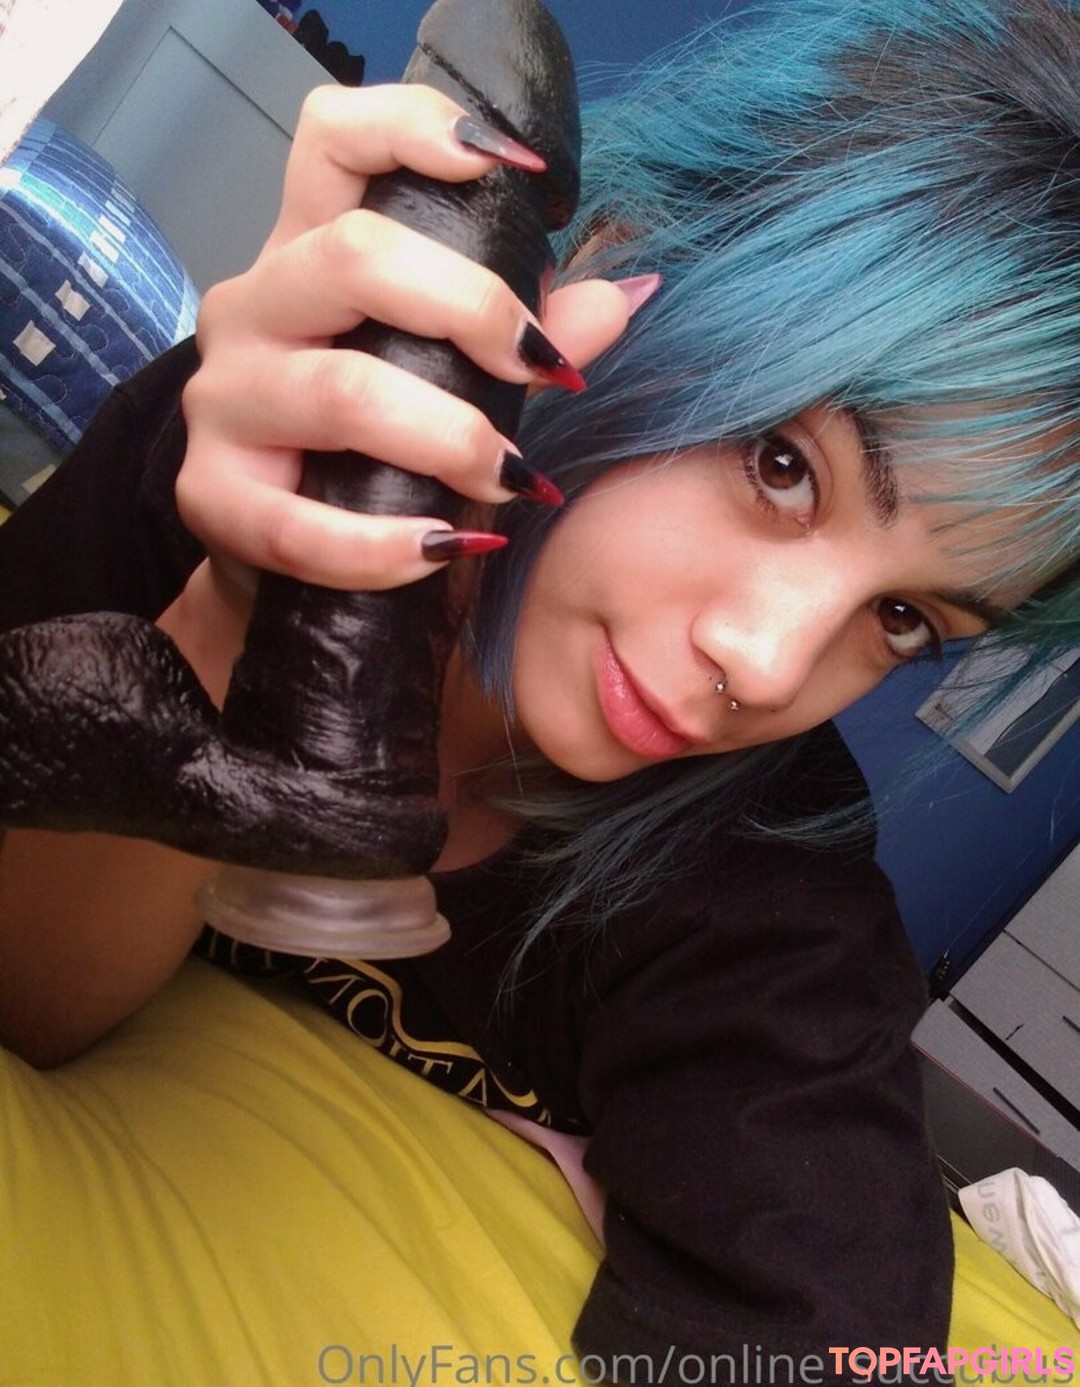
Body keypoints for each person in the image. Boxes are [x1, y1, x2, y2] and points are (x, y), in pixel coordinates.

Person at [1, 0, 1079, 1373]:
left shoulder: (763, 893)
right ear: (612, 271)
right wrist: (242, 612)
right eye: (783, 466)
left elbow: (820, 1319)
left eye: (904, 619)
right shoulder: (240, 466)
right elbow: (23, 1004)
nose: (767, 665)